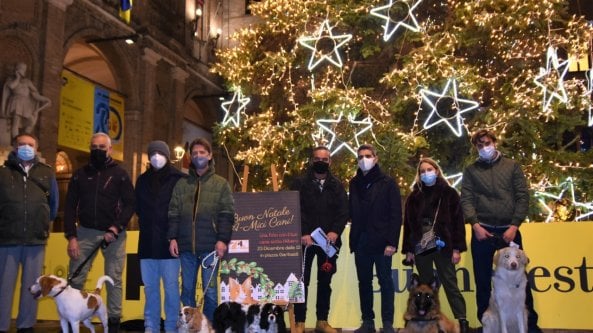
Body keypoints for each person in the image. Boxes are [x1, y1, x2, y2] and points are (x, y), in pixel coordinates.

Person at [460, 129, 542, 333]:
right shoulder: (471, 171)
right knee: (482, 280)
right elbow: (466, 200)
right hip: (482, 231)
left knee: (521, 278)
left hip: (509, 231)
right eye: (479, 145)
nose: (484, 147)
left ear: (494, 142)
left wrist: (514, 225)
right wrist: (475, 225)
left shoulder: (512, 166)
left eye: (487, 143)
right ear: (475, 148)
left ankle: (529, 325)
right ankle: (487, 323)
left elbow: (522, 197)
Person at [64, 132, 135, 333]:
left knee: (113, 278)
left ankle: (113, 322)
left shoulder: (120, 174)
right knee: (76, 278)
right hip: (84, 233)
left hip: (114, 235)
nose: (97, 151)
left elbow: (130, 204)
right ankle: (72, 321)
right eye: (94, 147)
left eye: (102, 148)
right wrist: (72, 236)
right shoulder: (79, 174)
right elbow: (70, 206)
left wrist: (116, 227)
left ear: (110, 149)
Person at [167, 138, 234, 323]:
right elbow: (173, 213)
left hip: (210, 249)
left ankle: (209, 326)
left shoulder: (221, 184)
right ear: (190, 156)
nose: (198, 156)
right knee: (187, 291)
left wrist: (222, 240)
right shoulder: (182, 184)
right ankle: (189, 327)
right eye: (195, 153)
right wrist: (172, 237)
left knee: (210, 292)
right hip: (186, 248)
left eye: (202, 153)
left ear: (210, 155)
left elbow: (227, 214)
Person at [402, 157, 469, 333]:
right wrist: (408, 250)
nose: (426, 173)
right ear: (419, 175)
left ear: (437, 171)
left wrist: (457, 248)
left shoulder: (450, 193)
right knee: (423, 288)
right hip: (421, 247)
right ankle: (423, 322)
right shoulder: (413, 197)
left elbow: (458, 223)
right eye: (422, 171)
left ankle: (462, 320)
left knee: (450, 283)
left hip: (444, 245)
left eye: (429, 170)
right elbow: (408, 226)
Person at [0, 133, 58, 333]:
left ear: (36, 148)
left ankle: (26, 325)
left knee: (33, 287)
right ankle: (2, 325)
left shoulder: (47, 173)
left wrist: (41, 223)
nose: (26, 147)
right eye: (22, 144)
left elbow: (54, 205)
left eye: (30, 144)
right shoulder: (3, 173)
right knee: (3, 287)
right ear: (15, 148)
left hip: (35, 239)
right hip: (8, 239)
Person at [289, 146, 349, 333]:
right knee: (302, 282)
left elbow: (343, 211)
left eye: (324, 159)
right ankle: (299, 321)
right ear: (311, 161)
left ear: (329, 161)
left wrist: (335, 231)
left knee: (325, 282)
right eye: (317, 159)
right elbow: (294, 209)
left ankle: (322, 321)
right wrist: (303, 232)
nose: (321, 162)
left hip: (328, 243)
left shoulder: (337, 185)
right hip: (304, 242)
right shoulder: (299, 184)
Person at [349, 144, 402, 333]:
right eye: (360, 156)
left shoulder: (388, 183)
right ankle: (368, 322)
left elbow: (396, 214)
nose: (364, 159)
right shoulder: (354, 183)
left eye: (368, 156)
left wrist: (392, 242)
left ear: (376, 158)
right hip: (361, 241)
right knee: (364, 283)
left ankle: (387, 323)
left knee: (385, 281)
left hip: (382, 242)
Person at [135, 140, 185, 333]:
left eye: (160, 153)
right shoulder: (142, 180)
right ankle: (151, 326)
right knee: (150, 290)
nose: (156, 156)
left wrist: (174, 235)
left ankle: (172, 326)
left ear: (167, 155)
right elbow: (138, 208)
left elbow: (182, 210)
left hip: (170, 244)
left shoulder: (179, 179)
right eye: (153, 153)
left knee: (172, 289)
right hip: (147, 244)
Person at [1, 63, 51, 138]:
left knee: (31, 122)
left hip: (25, 103)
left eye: (23, 69)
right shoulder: (11, 80)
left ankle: (24, 136)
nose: (22, 71)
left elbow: (34, 93)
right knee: (16, 123)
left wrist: (43, 98)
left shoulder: (27, 82)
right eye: (20, 69)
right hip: (16, 101)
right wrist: (17, 77)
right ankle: (16, 141)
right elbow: (12, 86)